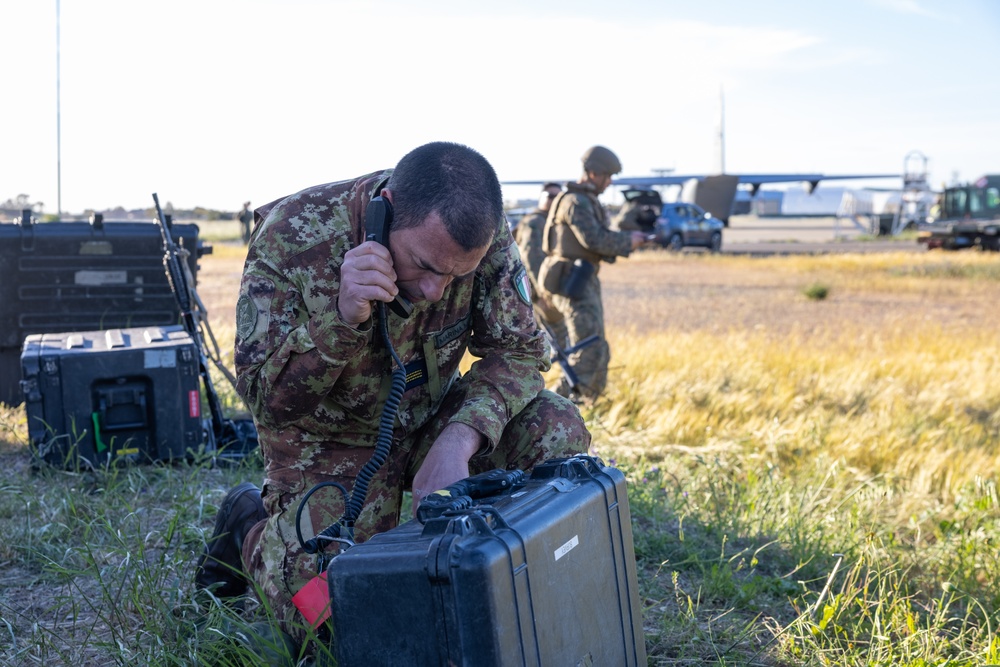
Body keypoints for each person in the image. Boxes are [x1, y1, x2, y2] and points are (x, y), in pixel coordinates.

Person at [195, 142, 590, 654]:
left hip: (431, 421)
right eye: (423, 265)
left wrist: (457, 441)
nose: (433, 290)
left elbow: (520, 351)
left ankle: (502, 580)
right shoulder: (295, 235)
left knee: (553, 426)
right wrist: (340, 318)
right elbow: (265, 400)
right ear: (383, 211)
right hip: (327, 446)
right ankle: (249, 529)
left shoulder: (475, 236)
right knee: (339, 629)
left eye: (454, 277)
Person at [537, 145, 648, 403]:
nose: (609, 182)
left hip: (582, 278)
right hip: (570, 282)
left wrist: (629, 235)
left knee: (596, 346)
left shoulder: (586, 201)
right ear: (592, 172)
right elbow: (594, 239)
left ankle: (583, 404)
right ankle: (557, 409)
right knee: (587, 349)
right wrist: (627, 242)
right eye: (606, 176)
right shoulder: (575, 202)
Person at [513, 181, 569, 351]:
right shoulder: (536, 221)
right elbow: (532, 258)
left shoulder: (551, 221)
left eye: (559, 197)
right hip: (537, 292)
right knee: (558, 339)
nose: (554, 200)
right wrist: (543, 293)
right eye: (550, 196)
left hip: (541, 290)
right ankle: (565, 376)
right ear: (541, 198)